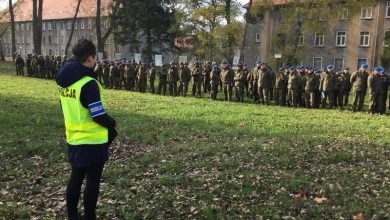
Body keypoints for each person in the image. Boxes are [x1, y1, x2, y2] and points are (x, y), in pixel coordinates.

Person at [56, 39, 117, 220]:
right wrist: (112, 123)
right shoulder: (88, 83)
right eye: (95, 58)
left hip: (74, 137)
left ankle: (72, 216)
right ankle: (89, 216)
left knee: (75, 178)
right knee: (92, 181)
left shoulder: (64, 81)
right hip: (92, 140)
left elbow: (64, 106)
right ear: (90, 58)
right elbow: (97, 114)